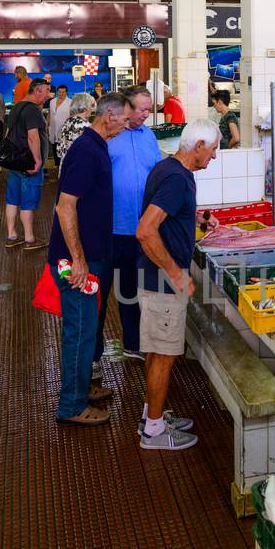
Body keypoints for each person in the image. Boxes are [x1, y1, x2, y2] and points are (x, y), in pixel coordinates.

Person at [135, 120, 221, 450]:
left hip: (152, 278)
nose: (213, 157)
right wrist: (176, 274)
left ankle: (151, 416)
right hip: (161, 282)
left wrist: (196, 220)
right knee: (165, 356)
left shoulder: (169, 168)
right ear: (198, 145)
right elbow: (145, 231)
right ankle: (153, 433)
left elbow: (167, 214)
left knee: (156, 352)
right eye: (212, 150)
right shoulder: (176, 179)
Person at [50, 93, 129, 426]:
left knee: (87, 328)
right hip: (77, 262)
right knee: (80, 331)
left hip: (92, 254)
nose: (127, 125)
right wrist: (78, 260)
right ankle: (71, 405)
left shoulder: (96, 146)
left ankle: (82, 389)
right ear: (109, 116)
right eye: (124, 119)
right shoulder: (86, 150)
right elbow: (65, 206)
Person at [107, 87, 164, 359]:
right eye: (142, 109)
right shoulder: (109, 137)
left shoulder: (149, 135)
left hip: (150, 225)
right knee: (127, 287)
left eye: (149, 108)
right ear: (126, 108)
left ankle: (154, 337)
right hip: (119, 226)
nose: (147, 113)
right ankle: (132, 342)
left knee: (151, 285)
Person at [2, 79, 51, 249]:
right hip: (28, 162)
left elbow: (8, 133)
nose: (48, 95)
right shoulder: (33, 110)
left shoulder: (17, 107)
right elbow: (33, 137)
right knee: (28, 201)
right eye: (46, 91)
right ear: (37, 90)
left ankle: (11, 235)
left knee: (12, 199)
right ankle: (29, 239)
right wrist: (37, 161)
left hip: (15, 161)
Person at [55, 92, 96, 166]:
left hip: (65, 167)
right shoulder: (86, 126)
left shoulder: (67, 122)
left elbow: (59, 151)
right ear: (85, 107)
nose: (92, 109)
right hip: (78, 169)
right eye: (91, 105)